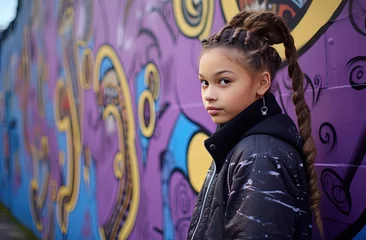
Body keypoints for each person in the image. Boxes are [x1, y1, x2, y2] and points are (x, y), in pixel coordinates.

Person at [187, 10, 323, 240]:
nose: (209, 94)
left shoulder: (260, 155)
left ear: (262, 83)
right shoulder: (236, 142)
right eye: (204, 82)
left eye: (224, 81)